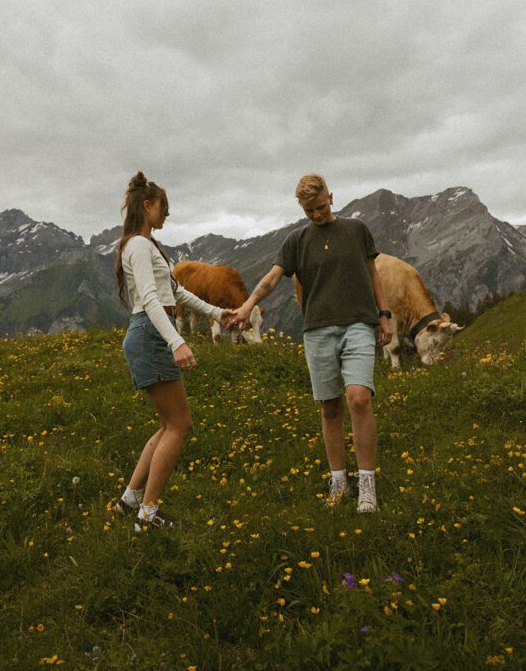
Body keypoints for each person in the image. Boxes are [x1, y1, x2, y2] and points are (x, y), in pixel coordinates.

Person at [229, 173, 393, 513]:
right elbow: (273, 278)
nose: (317, 216)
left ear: (331, 197)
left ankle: (366, 485)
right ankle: (338, 482)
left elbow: (373, 273)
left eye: (320, 207)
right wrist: (247, 306)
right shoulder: (296, 240)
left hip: (359, 324)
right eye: (309, 212)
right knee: (329, 407)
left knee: (359, 398)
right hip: (317, 330)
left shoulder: (356, 230)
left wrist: (385, 314)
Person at [114, 172, 235, 531]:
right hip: (151, 333)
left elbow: (176, 294)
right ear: (148, 205)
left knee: (169, 424)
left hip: (149, 332)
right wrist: (176, 340)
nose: (167, 214)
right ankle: (147, 516)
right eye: (163, 208)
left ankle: (129, 501)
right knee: (180, 425)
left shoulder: (147, 246)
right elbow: (151, 299)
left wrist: (218, 313)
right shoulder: (137, 245)